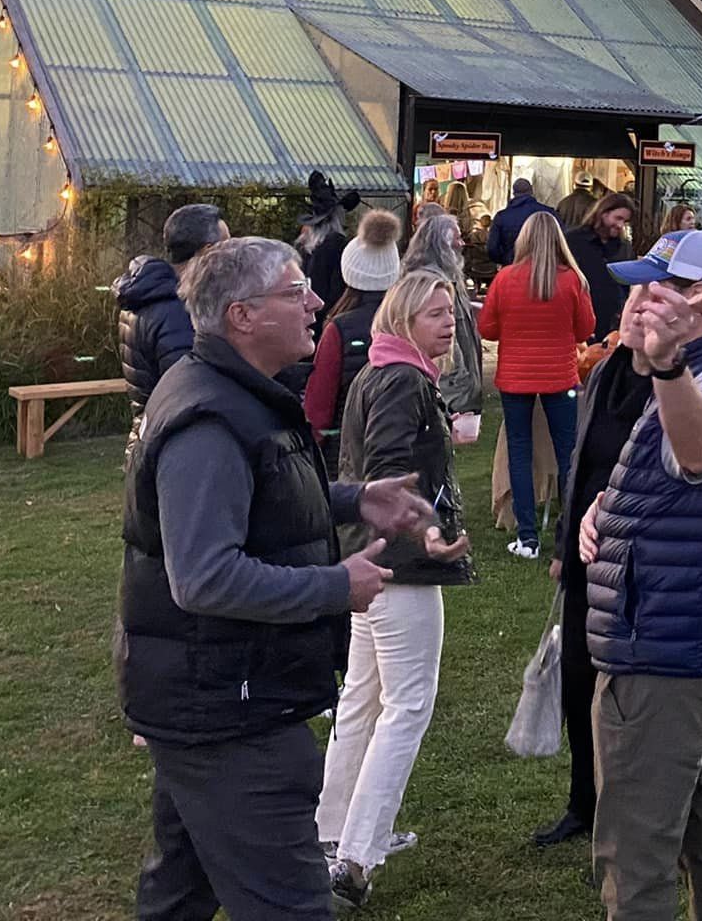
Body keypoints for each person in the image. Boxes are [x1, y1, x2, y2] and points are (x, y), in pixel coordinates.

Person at [116, 236, 447, 921]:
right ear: (242, 315)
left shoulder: (236, 395)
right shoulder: (208, 418)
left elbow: (257, 497)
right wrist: (334, 586)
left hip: (211, 696)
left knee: (180, 892)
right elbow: (204, 577)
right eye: (296, 291)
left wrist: (356, 499)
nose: (318, 302)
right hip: (227, 711)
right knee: (289, 904)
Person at [576, 230, 702, 919]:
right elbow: (683, 485)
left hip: (662, 653)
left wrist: (663, 369)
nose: (633, 303)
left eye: (653, 291)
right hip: (699, 640)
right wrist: (611, 506)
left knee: (637, 858)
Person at [320, 268, 475, 911]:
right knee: (406, 704)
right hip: (399, 564)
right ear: (403, 319)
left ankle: (331, 832)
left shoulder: (387, 374)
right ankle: (356, 853)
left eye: (451, 310)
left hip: (373, 557)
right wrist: (427, 533)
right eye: (436, 312)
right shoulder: (402, 379)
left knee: (363, 697)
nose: (448, 321)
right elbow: (385, 474)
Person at [536, 304, 658, 853]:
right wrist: (564, 542)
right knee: (578, 682)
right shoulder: (606, 370)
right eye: (632, 304)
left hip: (639, 561)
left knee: (629, 696)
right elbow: (580, 461)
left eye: (649, 304)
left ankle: (629, 813)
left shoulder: (671, 387)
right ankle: (582, 803)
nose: (635, 313)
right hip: (586, 555)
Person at [478, 210, 594, 559]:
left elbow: (487, 329)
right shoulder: (572, 280)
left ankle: (527, 537)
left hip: (515, 378)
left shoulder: (505, 280)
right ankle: (572, 534)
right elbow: (585, 330)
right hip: (561, 376)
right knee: (568, 453)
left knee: (520, 451)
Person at [116, 203, 229, 424]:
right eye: (227, 245)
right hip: (175, 436)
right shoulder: (180, 311)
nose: (232, 254)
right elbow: (191, 392)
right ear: (208, 252)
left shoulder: (145, 295)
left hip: (150, 428)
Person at [303, 210, 403, 441]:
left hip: (346, 446)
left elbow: (318, 407)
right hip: (401, 443)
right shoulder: (409, 323)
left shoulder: (338, 329)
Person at [401, 212, 484, 432]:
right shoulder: (430, 282)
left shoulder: (450, 276)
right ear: (442, 244)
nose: (462, 243)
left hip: (452, 388)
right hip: (447, 390)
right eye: (457, 238)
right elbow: (443, 339)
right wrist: (461, 385)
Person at [566, 191, 637, 338]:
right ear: (603, 213)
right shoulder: (573, 240)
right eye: (618, 218)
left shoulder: (624, 247)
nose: (620, 225)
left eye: (625, 221)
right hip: (578, 320)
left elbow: (626, 285)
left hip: (612, 325)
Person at [297, 172, 364, 326]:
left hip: (304, 313)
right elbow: (338, 288)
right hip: (327, 316)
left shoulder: (302, 244)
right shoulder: (338, 243)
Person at [486, 177, 554, 269]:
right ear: (531, 191)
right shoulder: (549, 213)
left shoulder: (502, 216)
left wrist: (505, 259)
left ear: (514, 193)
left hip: (512, 266)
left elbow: (492, 248)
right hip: (543, 268)